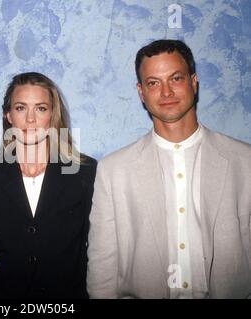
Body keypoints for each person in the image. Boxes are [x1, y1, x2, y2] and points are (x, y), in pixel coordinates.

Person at [87, 39, 251, 299]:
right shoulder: (113, 170)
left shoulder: (245, 161)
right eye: (153, 83)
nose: (166, 92)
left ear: (193, 81)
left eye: (175, 78)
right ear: (141, 93)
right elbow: (102, 267)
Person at [0, 72, 97, 298]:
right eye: (21, 108)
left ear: (53, 115)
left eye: (41, 108)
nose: (31, 119)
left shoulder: (85, 172)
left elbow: (99, 251)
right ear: (8, 115)